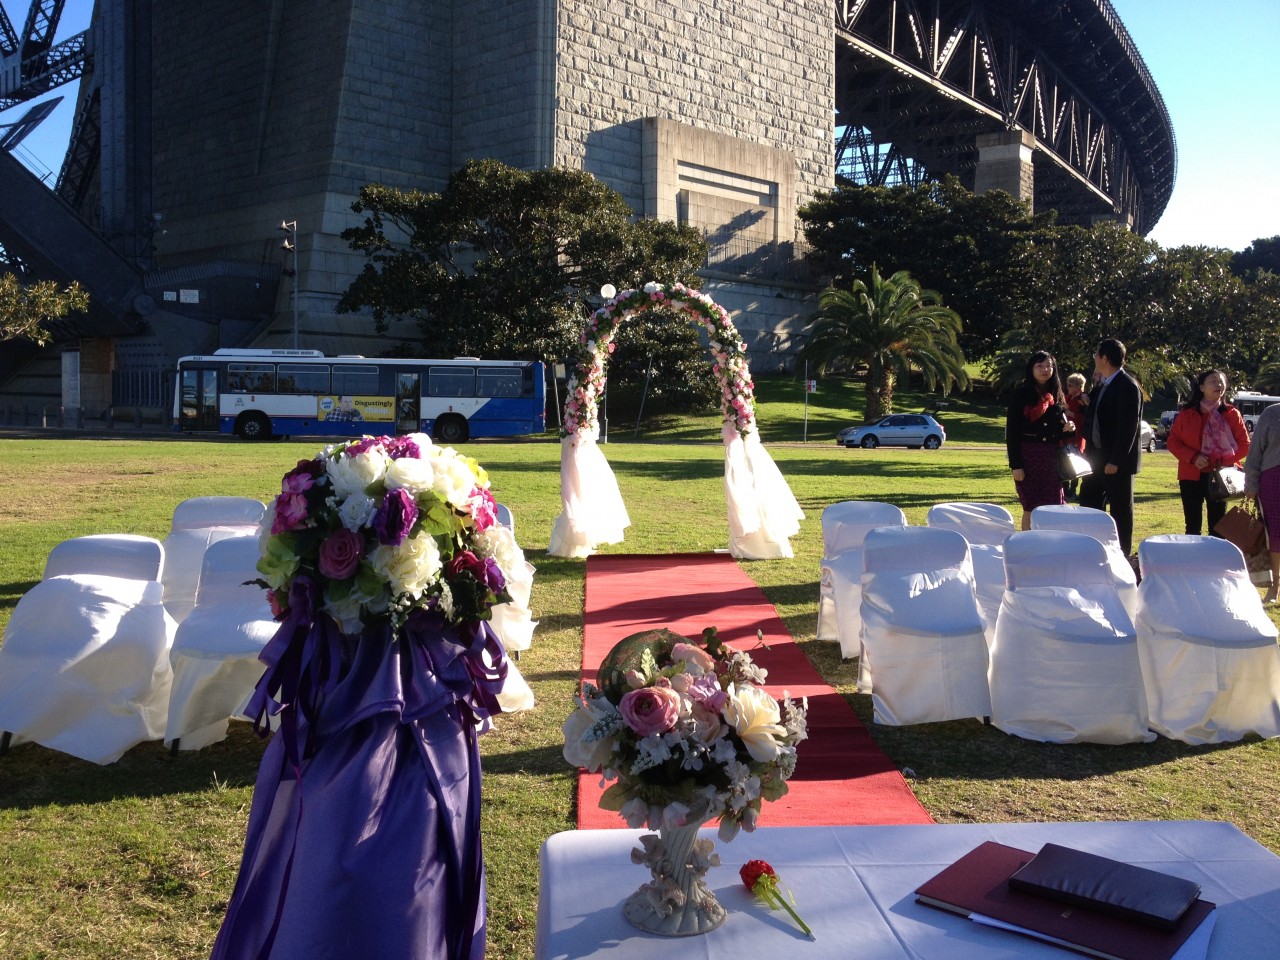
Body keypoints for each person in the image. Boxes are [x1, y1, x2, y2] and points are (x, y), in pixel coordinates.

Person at [1079, 338, 1143, 557]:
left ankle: (1121, 554)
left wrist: (1115, 460)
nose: (1094, 359)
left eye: (1096, 354)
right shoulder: (1103, 383)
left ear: (1104, 358)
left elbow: (1128, 427)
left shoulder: (1127, 385)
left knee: (1120, 510)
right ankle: (1094, 549)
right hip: (1095, 457)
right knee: (1089, 502)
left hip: (1116, 462)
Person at [1166, 370, 1249, 536]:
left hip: (1221, 475)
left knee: (1217, 526)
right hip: (1191, 475)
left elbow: (1245, 445)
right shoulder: (1187, 413)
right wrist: (1193, 457)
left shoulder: (1232, 414)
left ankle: (1215, 560)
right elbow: (1173, 442)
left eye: (1221, 382)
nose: (1218, 385)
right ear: (1202, 387)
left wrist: (1222, 459)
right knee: (1192, 526)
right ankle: (1193, 560)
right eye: (1213, 381)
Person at [1006, 350, 1076, 529]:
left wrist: (1069, 430)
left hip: (1051, 457)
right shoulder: (1020, 395)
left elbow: (1058, 433)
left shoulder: (1056, 395)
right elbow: (1012, 432)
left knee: (1054, 505)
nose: (1045, 369)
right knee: (1030, 505)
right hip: (1028, 456)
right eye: (1040, 366)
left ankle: (1051, 544)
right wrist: (1016, 465)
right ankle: (1028, 545)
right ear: (1031, 369)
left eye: (1049, 366)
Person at [1243, 401, 1280, 603]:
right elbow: (1254, 452)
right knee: (1274, 538)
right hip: (1273, 482)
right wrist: (1251, 485)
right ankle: (1275, 588)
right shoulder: (1272, 413)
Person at [1063, 372, 1089, 499]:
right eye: (1068, 385)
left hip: (1077, 435)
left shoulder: (1083, 400)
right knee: (1064, 460)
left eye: (1071, 385)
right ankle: (1065, 488)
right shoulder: (1067, 398)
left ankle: (1072, 489)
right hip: (1065, 434)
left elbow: (1084, 418)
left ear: (1079, 386)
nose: (1068, 388)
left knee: (1075, 461)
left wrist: (1070, 413)